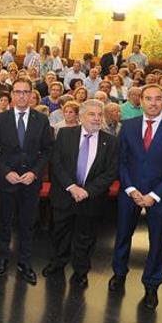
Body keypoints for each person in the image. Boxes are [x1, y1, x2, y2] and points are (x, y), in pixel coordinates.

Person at [110, 84, 162, 310]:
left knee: (158, 241)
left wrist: (154, 195)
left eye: (157, 99)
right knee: (123, 235)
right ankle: (119, 273)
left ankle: (152, 285)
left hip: (161, 195)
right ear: (140, 101)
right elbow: (121, 161)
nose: (153, 103)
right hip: (130, 193)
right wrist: (130, 189)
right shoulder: (129, 126)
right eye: (148, 98)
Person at [43, 100, 119, 287]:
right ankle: (57, 263)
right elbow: (57, 163)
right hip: (64, 194)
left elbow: (111, 172)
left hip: (91, 198)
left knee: (86, 237)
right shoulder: (65, 134)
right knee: (60, 232)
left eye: (99, 115)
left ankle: (81, 270)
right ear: (81, 116)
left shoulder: (110, 141)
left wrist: (87, 191)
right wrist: (72, 187)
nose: (96, 118)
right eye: (91, 114)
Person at [0, 78, 53, 285]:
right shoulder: (0, 120)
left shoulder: (41, 120)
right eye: (17, 92)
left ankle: (25, 262)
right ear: (12, 95)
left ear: (31, 95)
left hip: (30, 181)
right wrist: (6, 171)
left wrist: (35, 173)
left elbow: (47, 151)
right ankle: (2, 258)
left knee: (27, 224)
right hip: (6, 180)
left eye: (25, 92)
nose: (21, 95)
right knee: (4, 222)